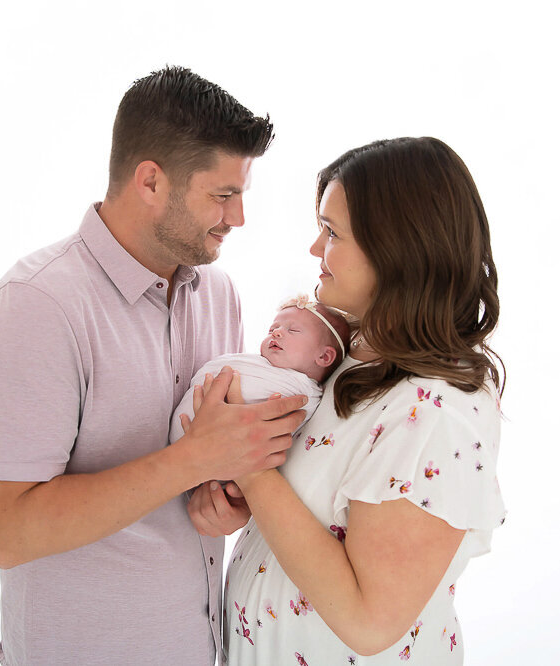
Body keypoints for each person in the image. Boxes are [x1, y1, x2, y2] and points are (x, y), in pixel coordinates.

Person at [0, 66, 308, 666]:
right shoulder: (36, 306)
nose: (239, 218)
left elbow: (203, 475)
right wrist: (193, 459)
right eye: (222, 195)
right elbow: (4, 535)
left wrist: (222, 499)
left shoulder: (218, 294)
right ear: (150, 181)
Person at [188, 137, 506, 664]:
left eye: (332, 232)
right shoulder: (349, 353)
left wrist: (248, 467)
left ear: (399, 249)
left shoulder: (436, 413)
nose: (316, 249)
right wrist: (237, 502)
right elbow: (316, 507)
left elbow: (368, 621)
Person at [169, 294, 352, 444]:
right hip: (184, 443)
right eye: (272, 329)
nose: (276, 332)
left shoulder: (304, 394)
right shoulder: (254, 364)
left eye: (293, 330)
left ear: (324, 357)